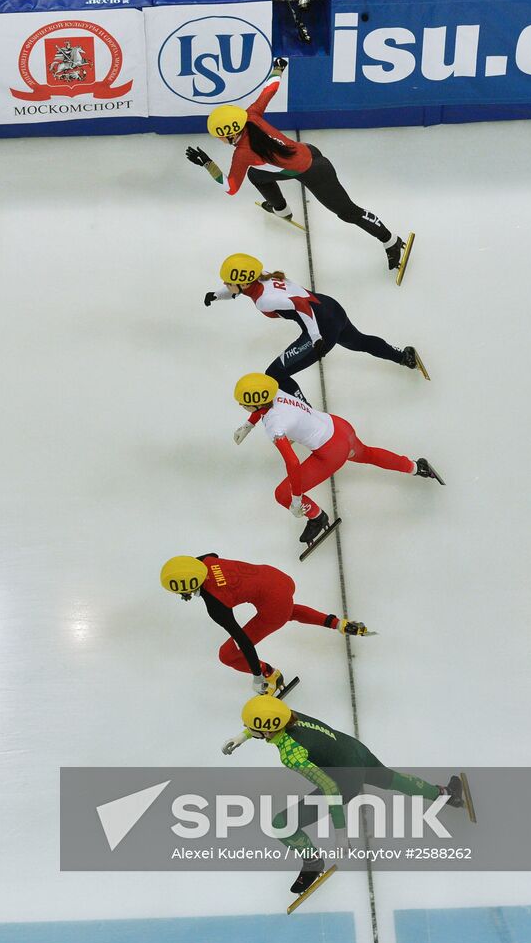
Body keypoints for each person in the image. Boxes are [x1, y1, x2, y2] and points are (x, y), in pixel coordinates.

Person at [184, 58, 411, 276]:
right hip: (306, 151)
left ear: (231, 133)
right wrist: (278, 69)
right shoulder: (251, 115)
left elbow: (231, 188)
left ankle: (391, 241)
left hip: (315, 172)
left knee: (348, 212)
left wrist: (208, 164)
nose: (218, 141)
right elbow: (269, 91)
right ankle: (282, 209)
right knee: (257, 174)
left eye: (219, 137)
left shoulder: (242, 154)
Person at [222, 695, 467, 894]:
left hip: (344, 778)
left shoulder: (291, 754)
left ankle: (313, 862)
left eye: (249, 727)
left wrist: (341, 834)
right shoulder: (286, 713)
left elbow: (330, 788)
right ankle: (446, 794)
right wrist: (240, 737)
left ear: (265, 731)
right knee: (392, 780)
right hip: (354, 750)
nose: (246, 728)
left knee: (280, 824)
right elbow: (268, 714)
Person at [231, 372, 445, 547]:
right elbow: (264, 408)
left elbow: (293, 463)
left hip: (330, 452)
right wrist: (248, 425)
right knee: (368, 454)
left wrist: (296, 500)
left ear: (255, 403)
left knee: (282, 494)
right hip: (340, 428)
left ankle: (317, 517)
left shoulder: (274, 426)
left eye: (243, 404)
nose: (241, 406)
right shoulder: (274, 391)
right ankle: (417, 467)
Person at [160, 554, 371, 695]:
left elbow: (243, 642)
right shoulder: (205, 560)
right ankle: (337, 623)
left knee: (227, 654)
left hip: (274, 601)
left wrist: (257, 675)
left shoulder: (216, 605)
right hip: (278, 577)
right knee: (286, 610)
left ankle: (272, 676)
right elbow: (213, 555)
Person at [205, 253, 425, 385]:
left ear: (243, 282)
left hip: (321, 327)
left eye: (227, 282)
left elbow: (301, 305)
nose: (225, 285)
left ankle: (303, 418)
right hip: (331, 307)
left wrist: (315, 336)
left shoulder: (264, 300)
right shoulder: (263, 277)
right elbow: (236, 289)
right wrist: (216, 295)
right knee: (360, 342)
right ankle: (403, 356)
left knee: (274, 374)